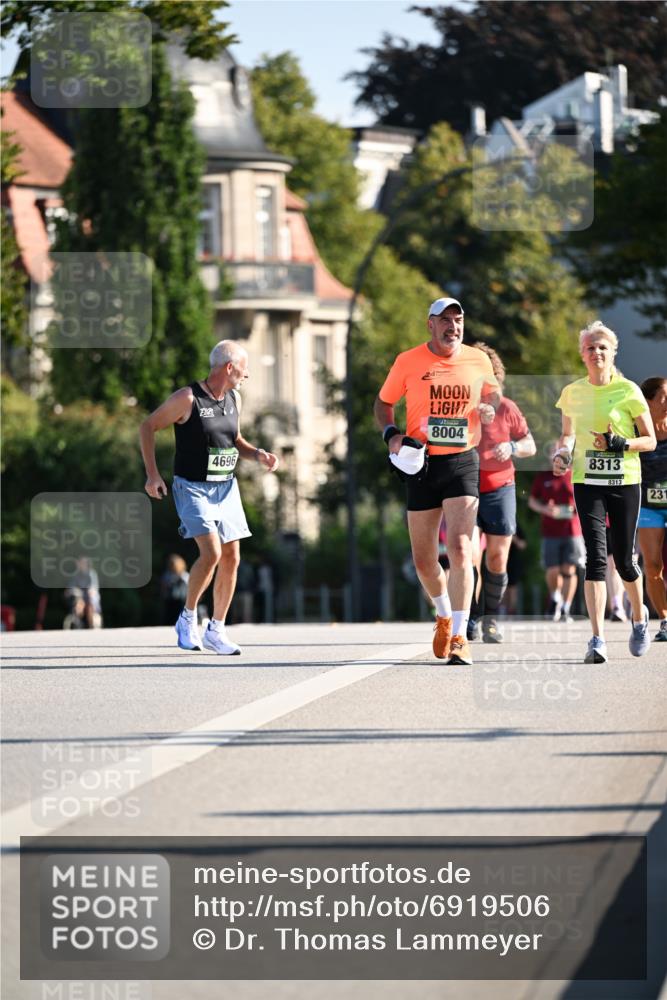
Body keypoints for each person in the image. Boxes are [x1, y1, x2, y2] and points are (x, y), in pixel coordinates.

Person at [374, 296, 501, 664]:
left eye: (458, 320)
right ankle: (444, 614)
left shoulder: (477, 359)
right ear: (430, 324)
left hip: (462, 461)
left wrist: (489, 407)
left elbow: (493, 393)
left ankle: (461, 635)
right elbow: (383, 404)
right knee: (424, 561)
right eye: (445, 320)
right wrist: (392, 434)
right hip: (422, 465)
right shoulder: (408, 361)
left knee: (462, 548)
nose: (453, 327)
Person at [140, 340, 279, 655]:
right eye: (243, 369)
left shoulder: (234, 398)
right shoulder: (187, 399)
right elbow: (147, 427)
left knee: (233, 556)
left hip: (226, 488)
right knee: (212, 552)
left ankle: (216, 628)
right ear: (229, 367)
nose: (246, 376)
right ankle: (187, 619)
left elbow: (235, 439)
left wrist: (258, 455)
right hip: (192, 487)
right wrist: (152, 474)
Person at [553, 321, 656, 663]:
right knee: (596, 559)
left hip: (625, 482)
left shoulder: (629, 391)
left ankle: (639, 618)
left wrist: (620, 443)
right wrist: (562, 453)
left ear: (613, 352)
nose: (596, 352)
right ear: (582, 354)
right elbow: (567, 435)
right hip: (587, 482)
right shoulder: (572, 393)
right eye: (590, 348)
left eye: (602, 347)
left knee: (625, 562)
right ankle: (596, 639)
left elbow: (650, 439)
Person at [469, 342, 536, 641]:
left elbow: (530, 445)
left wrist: (512, 447)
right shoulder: (460, 407)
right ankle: (468, 615)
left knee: (497, 557)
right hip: (465, 487)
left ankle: (490, 618)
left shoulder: (507, 408)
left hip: (501, 488)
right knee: (467, 554)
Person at [529, 450, 585, 623]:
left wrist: (577, 508)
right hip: (550, 531)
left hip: (572, 530)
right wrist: (544, 509)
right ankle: (555, 598)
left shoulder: (576, 474)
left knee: (570, 570)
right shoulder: (543, 476)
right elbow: (532, 501)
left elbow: (585, 497)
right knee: (552, 570)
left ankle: (566, 608)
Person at [637, 376, 667, 640]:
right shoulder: (639, 433)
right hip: (648, 506)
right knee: (653, 565)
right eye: (663, 397)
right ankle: (665, 619)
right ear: (648, 402)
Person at [63, 557, 102, 629]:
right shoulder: (76, 575)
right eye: (80, 563)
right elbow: (70, 587)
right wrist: (73, 591)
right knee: (78, 603)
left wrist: (91, 591)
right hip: (81, 596)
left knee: (91, 602)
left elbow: (93, 587)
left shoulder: (92, 574)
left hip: (90, 596)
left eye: (82, 563)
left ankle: (92, 624)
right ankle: (77, 622)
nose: (81, 565)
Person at [159, 554, 190, 626]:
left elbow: (189, 588)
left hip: (182, 600)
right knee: (168, 618)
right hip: (169, 600)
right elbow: (163, 587)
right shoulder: (167, 575)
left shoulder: (185, 576)